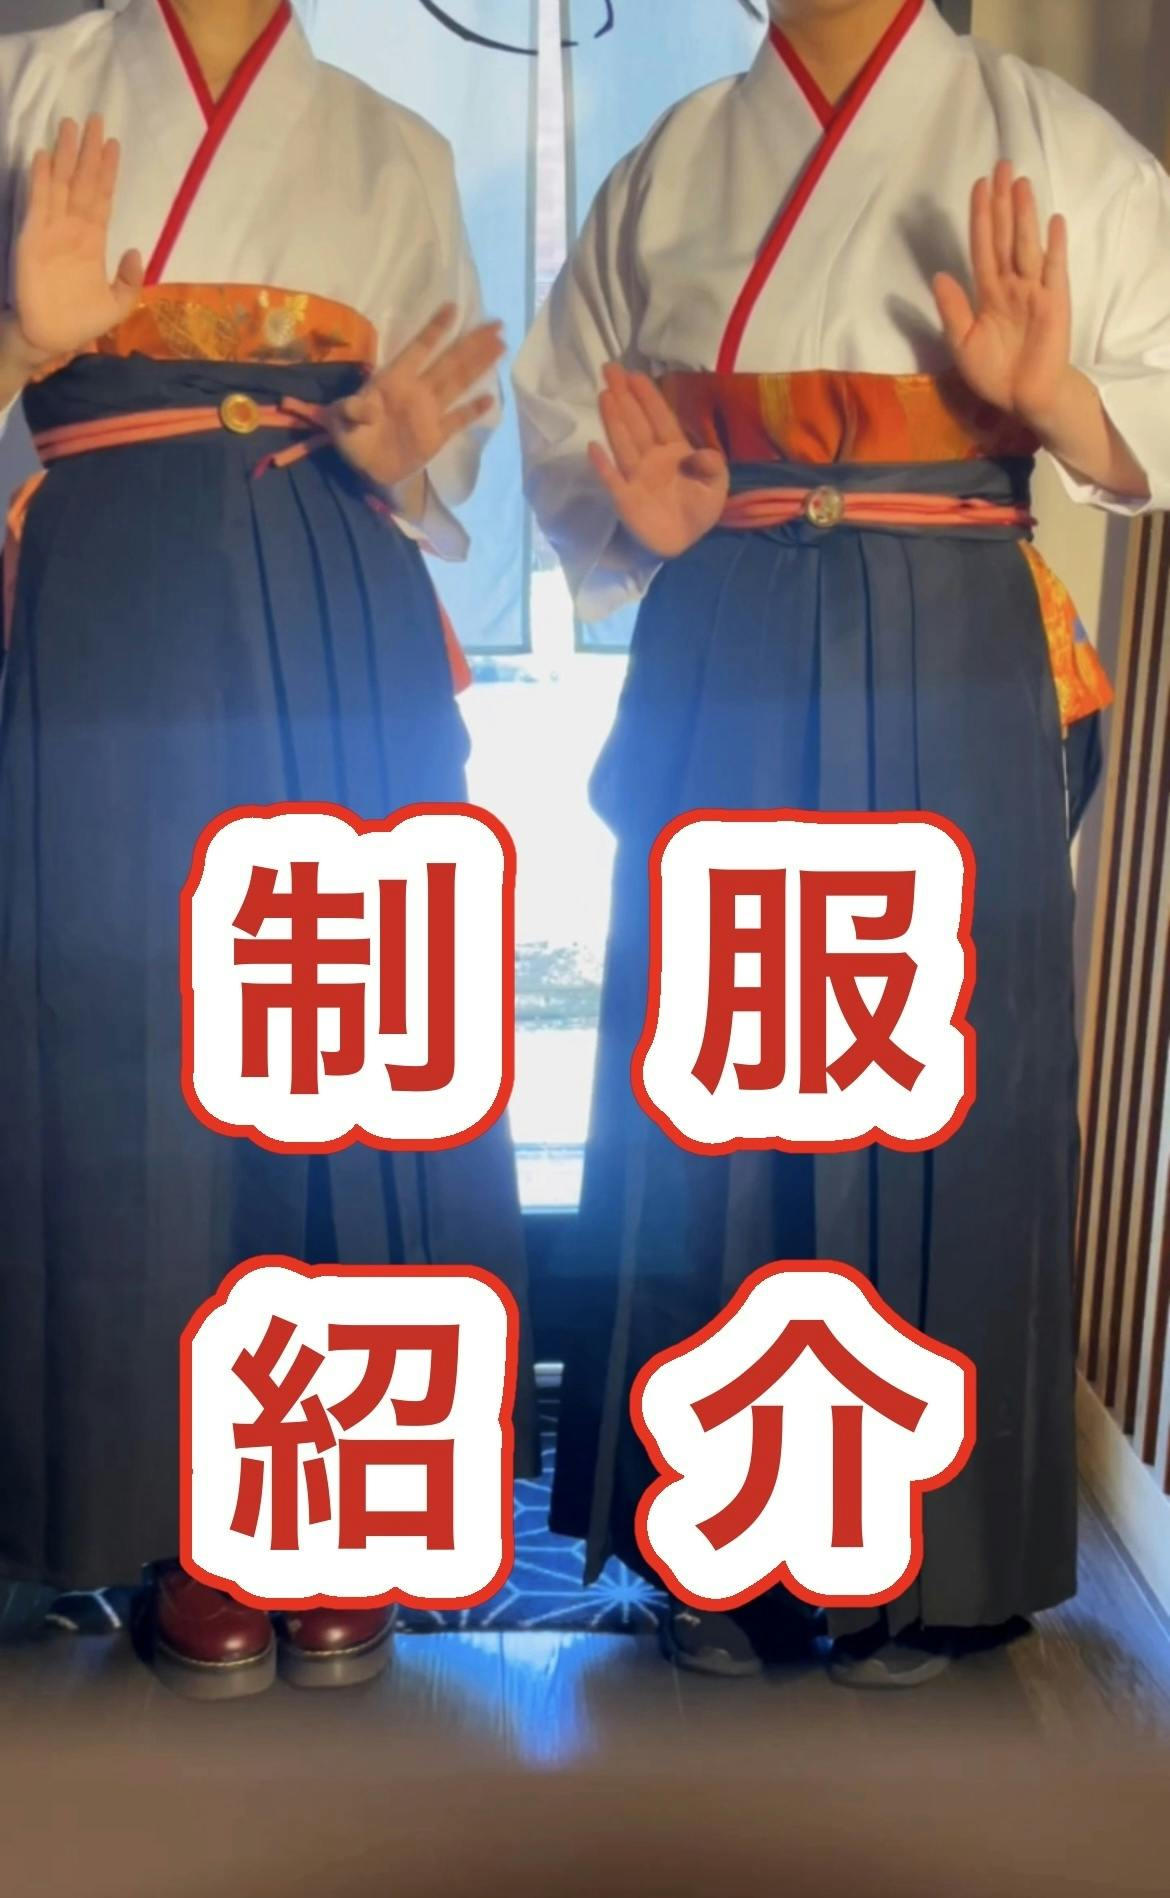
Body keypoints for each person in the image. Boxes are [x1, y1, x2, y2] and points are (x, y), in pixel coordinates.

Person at [514, 0, 1170, 1684]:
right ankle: (714, 1545)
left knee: (939, 1076)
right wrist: (631, 514)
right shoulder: (669, 164)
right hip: (724, 627)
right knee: (709, 1070)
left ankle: (927, 1561)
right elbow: (566, 424)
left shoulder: (1045, 142)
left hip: (952, 640)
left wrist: (1059, 401)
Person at [0, 0, 536, 1699]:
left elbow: (450, 456)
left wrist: (402, 459)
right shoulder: (27, 88)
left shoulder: (400, 147)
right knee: (130, 1045)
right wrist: (19, 344)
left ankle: (343, 1499)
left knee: (349, 1030)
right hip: (110, 607)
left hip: (340, 600)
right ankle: (176, 1525)